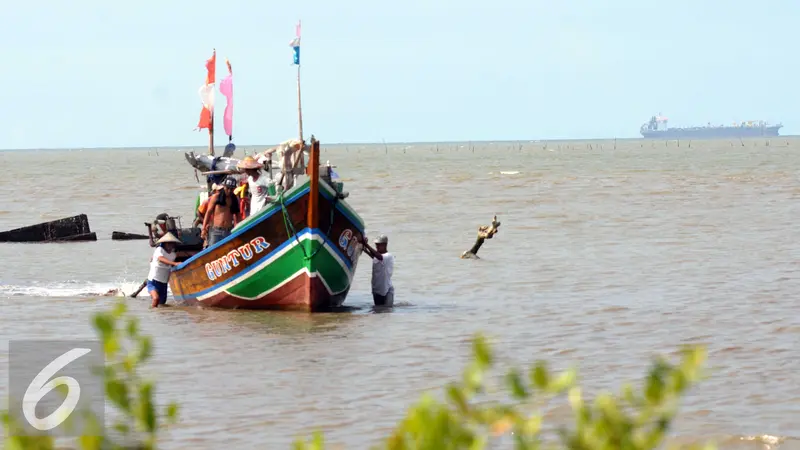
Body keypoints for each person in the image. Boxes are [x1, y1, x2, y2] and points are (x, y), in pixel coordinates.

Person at [201, 176, 240, 247]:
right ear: (224, 187)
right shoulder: (216, 197)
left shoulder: (235, 199)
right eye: (227, 188)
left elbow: (238, 215)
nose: (229, 191)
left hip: (228, 231)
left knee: (228, 252)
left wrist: (239, 228)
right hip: (215, 231)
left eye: (231, 189)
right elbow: (208, 212)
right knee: (212, 251)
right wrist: (203, 229)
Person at [147, 232, 181, 308]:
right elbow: (160, 258)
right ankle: (151, 313)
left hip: (164, 283)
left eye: (171, 243)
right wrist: (174, 263)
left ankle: (160, 318)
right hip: (153, 281)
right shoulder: (159, 250)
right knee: (156, 299)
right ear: (164, 243)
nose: (169, 245)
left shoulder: (173, 255)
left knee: (162, 304)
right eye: (168, 243)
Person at [361, 234, 395, 306]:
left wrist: (366, 244)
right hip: (376, 289)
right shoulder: (378, 257)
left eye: (379, 245)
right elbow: (374, 257)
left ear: (385, 245)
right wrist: (365, 250)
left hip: (387, 290)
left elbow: (379, 257)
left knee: (387, 310)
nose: (377, 247)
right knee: (378, 311)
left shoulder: (388, 256)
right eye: (376, 245)